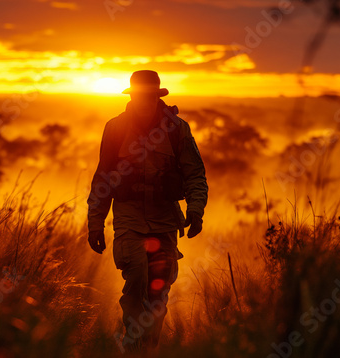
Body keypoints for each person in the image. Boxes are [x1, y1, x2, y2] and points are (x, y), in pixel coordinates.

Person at [87, 70, 208, 353]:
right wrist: (95, 222)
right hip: (128, 218)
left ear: (157, 97)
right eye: (139, 96)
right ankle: (132, 345)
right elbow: (103, 177)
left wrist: (196, 209)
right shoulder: (115, 128)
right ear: (132, 96)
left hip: (165, 220)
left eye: (149, 96)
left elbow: (195, 174)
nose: (144, 101)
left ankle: (149, 347)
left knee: (158, 290)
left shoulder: (178, 129)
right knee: (137, 277)